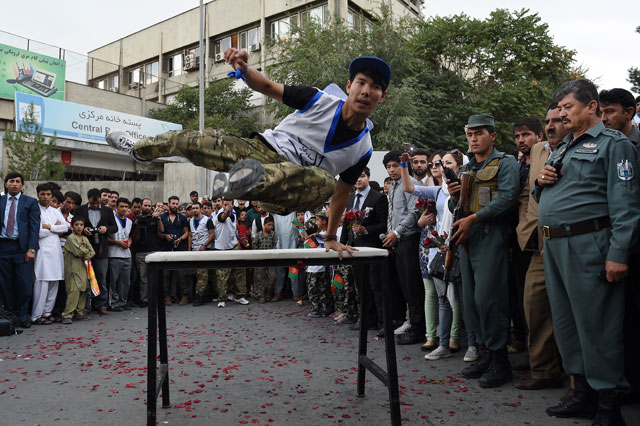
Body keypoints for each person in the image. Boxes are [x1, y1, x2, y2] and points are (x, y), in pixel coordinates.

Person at [107, 50, 391, 258]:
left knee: (327, 182)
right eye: (361, 83)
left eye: (375, 87)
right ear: (349, 86)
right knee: (196, 140)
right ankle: (140, 150)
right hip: (262, 150)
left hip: (292, 191)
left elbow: (341, 193)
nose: (366, 91)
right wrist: (244, 69)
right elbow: (267, 87)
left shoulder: (362, 149)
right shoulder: (318, 99)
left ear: (382, 96)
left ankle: (248, 182)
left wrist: (330, 236)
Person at [534, 79, 640, 424]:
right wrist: (540, 183)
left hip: (590, 245)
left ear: (591, 106)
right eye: (559, 108)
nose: (561, 114)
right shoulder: (564, 146)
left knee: (599, 326)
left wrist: (619, 254)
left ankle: (609, 405)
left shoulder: (614, 145)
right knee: (566, 325)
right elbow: (542, 197)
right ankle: (582, 392)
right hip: (555, 245)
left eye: (567, 107)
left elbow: (626, 207)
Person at [446, 114, 519, 388]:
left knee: (491, 300)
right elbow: (462, 206)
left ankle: (501, 361)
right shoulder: (468, 169)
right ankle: (487, 354)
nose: (474, 139)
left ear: (493, 135)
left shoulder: (505, 163)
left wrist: (474, 219)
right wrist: (456, 195)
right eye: (470, 134)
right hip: (467, 238)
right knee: (472, 302)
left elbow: (508, 198)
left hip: (490, 236)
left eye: (479, 133)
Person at [514, 103, 567, 391]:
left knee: (570, 314)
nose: (551, 126)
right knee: (533, 307)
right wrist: (526, 227)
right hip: (536, 243)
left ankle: (578, 380)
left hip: (569, 242)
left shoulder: (578, 149)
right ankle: (545, 371)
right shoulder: (536, 151)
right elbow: (527, 195)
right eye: (547, 121)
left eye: (557, 120)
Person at [381, 150, 425, 345]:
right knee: (404, 286)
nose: (391, 170)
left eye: (395, 165)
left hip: (409, 239)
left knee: (413, 287)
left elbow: (415, 213)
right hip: (397, 241)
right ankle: (410, 322)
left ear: (403, 165)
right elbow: (392, 215)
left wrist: (396, 233)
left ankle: (418, 328)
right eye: (388, 167)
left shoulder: (412, 184)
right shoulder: (393, 187)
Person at [509, 116, 545, 354]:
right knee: (517, 294)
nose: (521, 140)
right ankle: (522, 341)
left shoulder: (545, 163)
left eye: (526, 135)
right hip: (515, 237)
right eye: (518, 136)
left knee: (536, 302)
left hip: (538, 238)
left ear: (539, 137)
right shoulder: (515, 164)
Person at [339, 167, 388, 332]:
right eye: (356, 177)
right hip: (354, 249)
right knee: (361, 286)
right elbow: (346, 224)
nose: (358, 180)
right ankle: (367, 320)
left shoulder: (378, 197)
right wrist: (341, 244)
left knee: (376, 285)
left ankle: (383, 322)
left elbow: (384, 224)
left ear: (368, 177)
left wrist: (366, 230)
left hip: (372, 247)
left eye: (362, 176)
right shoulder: (350, 197)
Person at [0, 173, 40, 328]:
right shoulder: (1, 201)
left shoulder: (30, 202)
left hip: (22, 248)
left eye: (18, 182)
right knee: (6, 283)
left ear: (22, 186)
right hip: (3, 247)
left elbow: (34, 226)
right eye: (11, 181)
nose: (15, 184)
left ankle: (23, 315)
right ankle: (10, 315)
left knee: (24, 283)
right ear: (6, 184)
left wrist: (31, 249)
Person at [74, 188, 118, 316]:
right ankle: (86, 306)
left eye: (97, 203)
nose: (94, 205)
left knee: (101, 278)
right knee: (86, 278)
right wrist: (83, 229)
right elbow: (75, 224)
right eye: (92, 203)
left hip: (102, 248)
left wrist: (106, 229)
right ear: (88, 199)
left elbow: (114, 227)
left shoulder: (107, 210)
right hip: (85, 248)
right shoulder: (81, 210)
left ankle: (101, 305)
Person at [31, 183, 67, 325]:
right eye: (42, 194)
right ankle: (36, 315)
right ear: (38, 195)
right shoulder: (34, 210)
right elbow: (37, 232)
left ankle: (47, 313)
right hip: (42, 251)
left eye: (48, 195)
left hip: (55, 251)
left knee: (54, 282)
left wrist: (49, 226)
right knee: (42, 283)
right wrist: (54, 229)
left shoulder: (55, 211)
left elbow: (65, 227)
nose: (45, 197)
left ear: (52, 196)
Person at [213, 199, 249, 307]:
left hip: (234, 246)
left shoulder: (234, 213)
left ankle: (240, 296)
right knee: (222, 276)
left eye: (229, 204)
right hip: (222, 249)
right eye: (225, 204)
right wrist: (226, 210)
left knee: (239, 273)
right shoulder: (221, 213)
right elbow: (224, 216)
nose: (227, 206)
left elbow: (235, 227)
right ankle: (222, 299)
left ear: (233, 204)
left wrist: (236, 238)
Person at [61, 216, 95, 324]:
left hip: (83, 268)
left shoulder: (84, 238)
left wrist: (86, 253)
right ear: (72, 226)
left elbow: (92, 252)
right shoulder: (71, 238)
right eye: (76, 225)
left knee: (83, 290)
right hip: (73, 268)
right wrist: (87, 253)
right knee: (73, 291)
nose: (79, 227)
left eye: (81, 225)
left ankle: (79, 312)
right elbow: (78, 252)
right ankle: (67, 314)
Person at [158, 196, 190, 305]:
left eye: (177, 204)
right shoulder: (162, 217)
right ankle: (166, 296)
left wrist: (181, 238)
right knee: (165, 274)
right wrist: (165, 236)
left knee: (182, 274)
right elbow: (158, 232)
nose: (175, 206)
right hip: (165, 248)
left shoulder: (183, 217)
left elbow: (187, 232)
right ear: (169, 204)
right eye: (173, 203)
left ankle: (184, 296)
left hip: (180, 248)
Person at [132, 198, 161, 307]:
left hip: (154, 251)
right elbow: (133, 234)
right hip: (140, 252)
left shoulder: (155, 218)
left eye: (149, 206)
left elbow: (161, 231)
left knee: (155, 278)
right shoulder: (137, 219)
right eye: (145, 205)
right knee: (143, 279)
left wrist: (158, 219)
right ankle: (144, 299)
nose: (147, 207)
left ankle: (155, 298)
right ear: (141, 206)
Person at [305, 210, 334, 318]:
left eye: (317, 220)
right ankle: (317, 309)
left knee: (322, 290)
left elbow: (328, 238)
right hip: (313, 268)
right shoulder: (313, 237)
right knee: (315, 290)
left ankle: (322, 310)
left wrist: (316, 236)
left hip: (321, 267)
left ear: (324, 222)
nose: (316, 223)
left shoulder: (327, 235)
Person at [106, 198, 133, 311]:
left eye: (126, 207)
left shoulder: (129, 221)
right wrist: (117, 243)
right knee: (113, 281)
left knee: (125, 281)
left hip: (127, 255)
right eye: (121, 206)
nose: (124, 209)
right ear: (116, 207)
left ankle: (123, 301)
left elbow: (130, 236)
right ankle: (113, 303)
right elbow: (106, 238)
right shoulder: (111, 219)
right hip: (114, 254)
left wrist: (129, 243)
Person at [189, 201, 216, 306]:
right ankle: (204, 295)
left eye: (197, 208)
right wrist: (189, 250)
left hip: (204, 250)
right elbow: (190, 236)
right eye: (193, 208)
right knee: (197, 273)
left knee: (202, 274)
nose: (195, 210)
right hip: (194, 250)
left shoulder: (207, 220)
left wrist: (204, 245)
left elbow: (212, 235)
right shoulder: (191, 221)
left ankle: (200, 296)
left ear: (201, 209)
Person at [599, 88, 640, 156]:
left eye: (609, 111)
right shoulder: (595, 143)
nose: (603, 119)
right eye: (600, 113)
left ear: (629, 112)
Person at [253, 216, 278, 303]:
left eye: (272, 225)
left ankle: (268, 294)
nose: (270, 227)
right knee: (260, 278)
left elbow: (275, 245)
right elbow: (254, 246)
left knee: (272, 277)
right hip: (261, 259)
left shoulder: (274, 235)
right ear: (264, 225)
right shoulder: (258, 235)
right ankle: (261, 295)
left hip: (271, 259)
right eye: (269, 225)